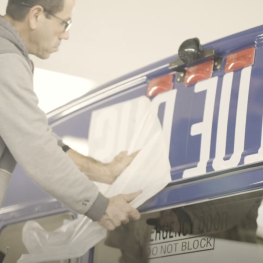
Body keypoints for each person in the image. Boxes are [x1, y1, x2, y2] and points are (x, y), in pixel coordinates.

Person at [0, 0, 142, 231]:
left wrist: (104, 172)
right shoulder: (5, 59)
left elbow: (40, 138)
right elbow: (36, 147)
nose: (65, 35)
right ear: (36, 15)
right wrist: (101, 207)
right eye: (65, 23)